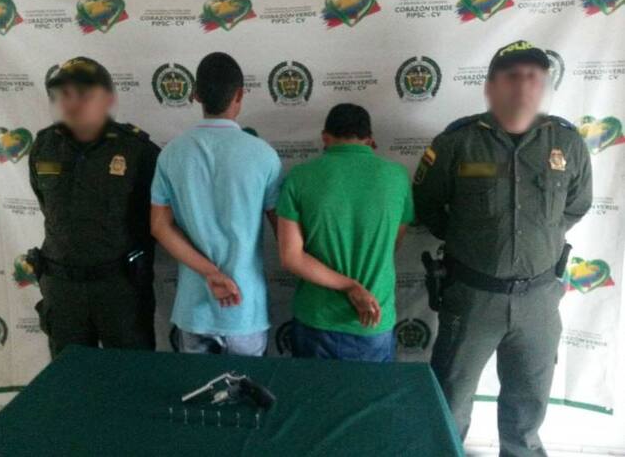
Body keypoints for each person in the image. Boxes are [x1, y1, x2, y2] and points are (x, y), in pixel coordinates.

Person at [414, 40, 592, 456]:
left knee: (528, 408)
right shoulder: (457, 143)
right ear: (493, 85)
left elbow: (576, 205)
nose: (524, 86)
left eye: (534, 76)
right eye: (513, 76)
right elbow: (428, 205)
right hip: (472, 297)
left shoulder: (567, 143)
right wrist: (476, 240)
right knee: (450, 400)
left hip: (539, 300)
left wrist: (538, 238)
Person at [150, 52, 283, 357]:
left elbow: (159, 226)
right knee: (247, 386)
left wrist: (210, 273)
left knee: (199, 388)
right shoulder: (263, 155)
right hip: (245, 308)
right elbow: (284, 233)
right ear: (240, 95)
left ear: (196, 95)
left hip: (194, 309)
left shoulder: (171, 154)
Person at [29, 57, 160, 357]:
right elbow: (47, 206)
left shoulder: (135, 150)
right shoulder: (44, 146)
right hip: (63, 291)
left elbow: (152, 220)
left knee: (131, 376)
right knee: (69, 378)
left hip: (119, 290)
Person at [276, 103, 414, 362]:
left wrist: (349, 286)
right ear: (370, 140)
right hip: (373, 319)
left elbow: (291, 257)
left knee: (312, 390)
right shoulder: (397, 177)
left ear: (325, 138)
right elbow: (393, 244)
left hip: (316, 318)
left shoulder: (299, 177)